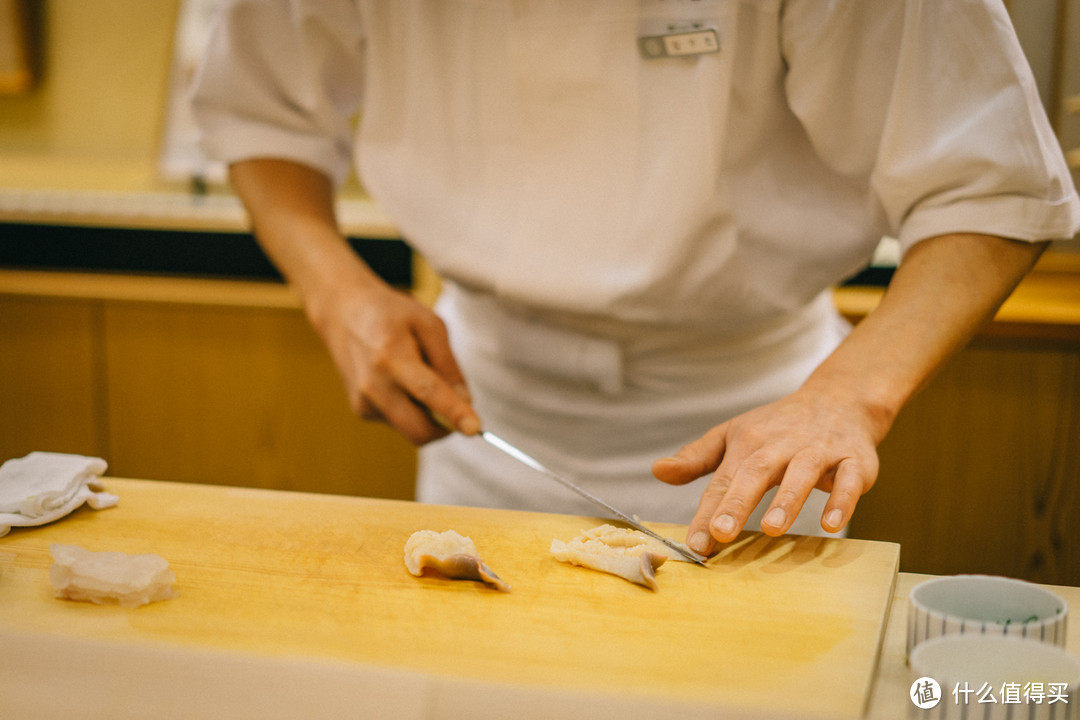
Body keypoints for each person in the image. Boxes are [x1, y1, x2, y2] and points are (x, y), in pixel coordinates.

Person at [192, 0, 1080, 557]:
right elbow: (261, 113)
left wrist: (847, 399)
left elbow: (993, 189)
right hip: (484, 428)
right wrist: (338, 292)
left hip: (760, 448)